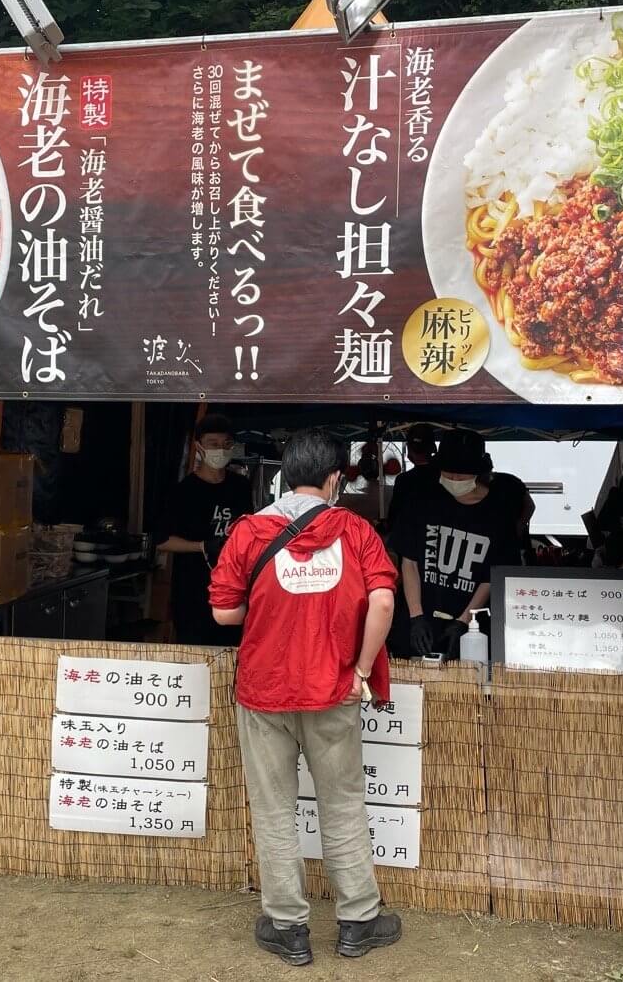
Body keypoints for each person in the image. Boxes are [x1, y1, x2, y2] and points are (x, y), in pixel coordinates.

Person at [209, 429, 402, 966]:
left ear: (284, 476)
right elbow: (383, 605)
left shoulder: (250, 532)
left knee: (275, 810)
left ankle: (289, 927)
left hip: (264, 692)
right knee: (342, 805)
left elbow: (225, 613)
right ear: (335, 478)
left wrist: (272, 611)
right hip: (334, 690)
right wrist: (361, 669)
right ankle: (359, 922)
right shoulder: (357, 530)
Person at [396, 429, 521, 659]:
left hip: (470, 624)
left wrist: (464, 621)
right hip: (420, 619)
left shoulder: (497, 513)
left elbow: (491, 575)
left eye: (461, 475)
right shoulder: (421, 500)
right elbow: (409, 561)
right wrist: (416, 616)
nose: (453, 479)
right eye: (448, 473)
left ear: (477, 473)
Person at [157, 414, 253, 646]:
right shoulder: (183, 491)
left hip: (234, 590)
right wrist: (201, 546)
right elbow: (162, 541)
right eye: (213, 444)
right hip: (192, 592)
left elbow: (251, 528)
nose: (220, 449)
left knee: (231, 653)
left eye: (226, 444)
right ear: (199, 446)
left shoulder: (241, 487)